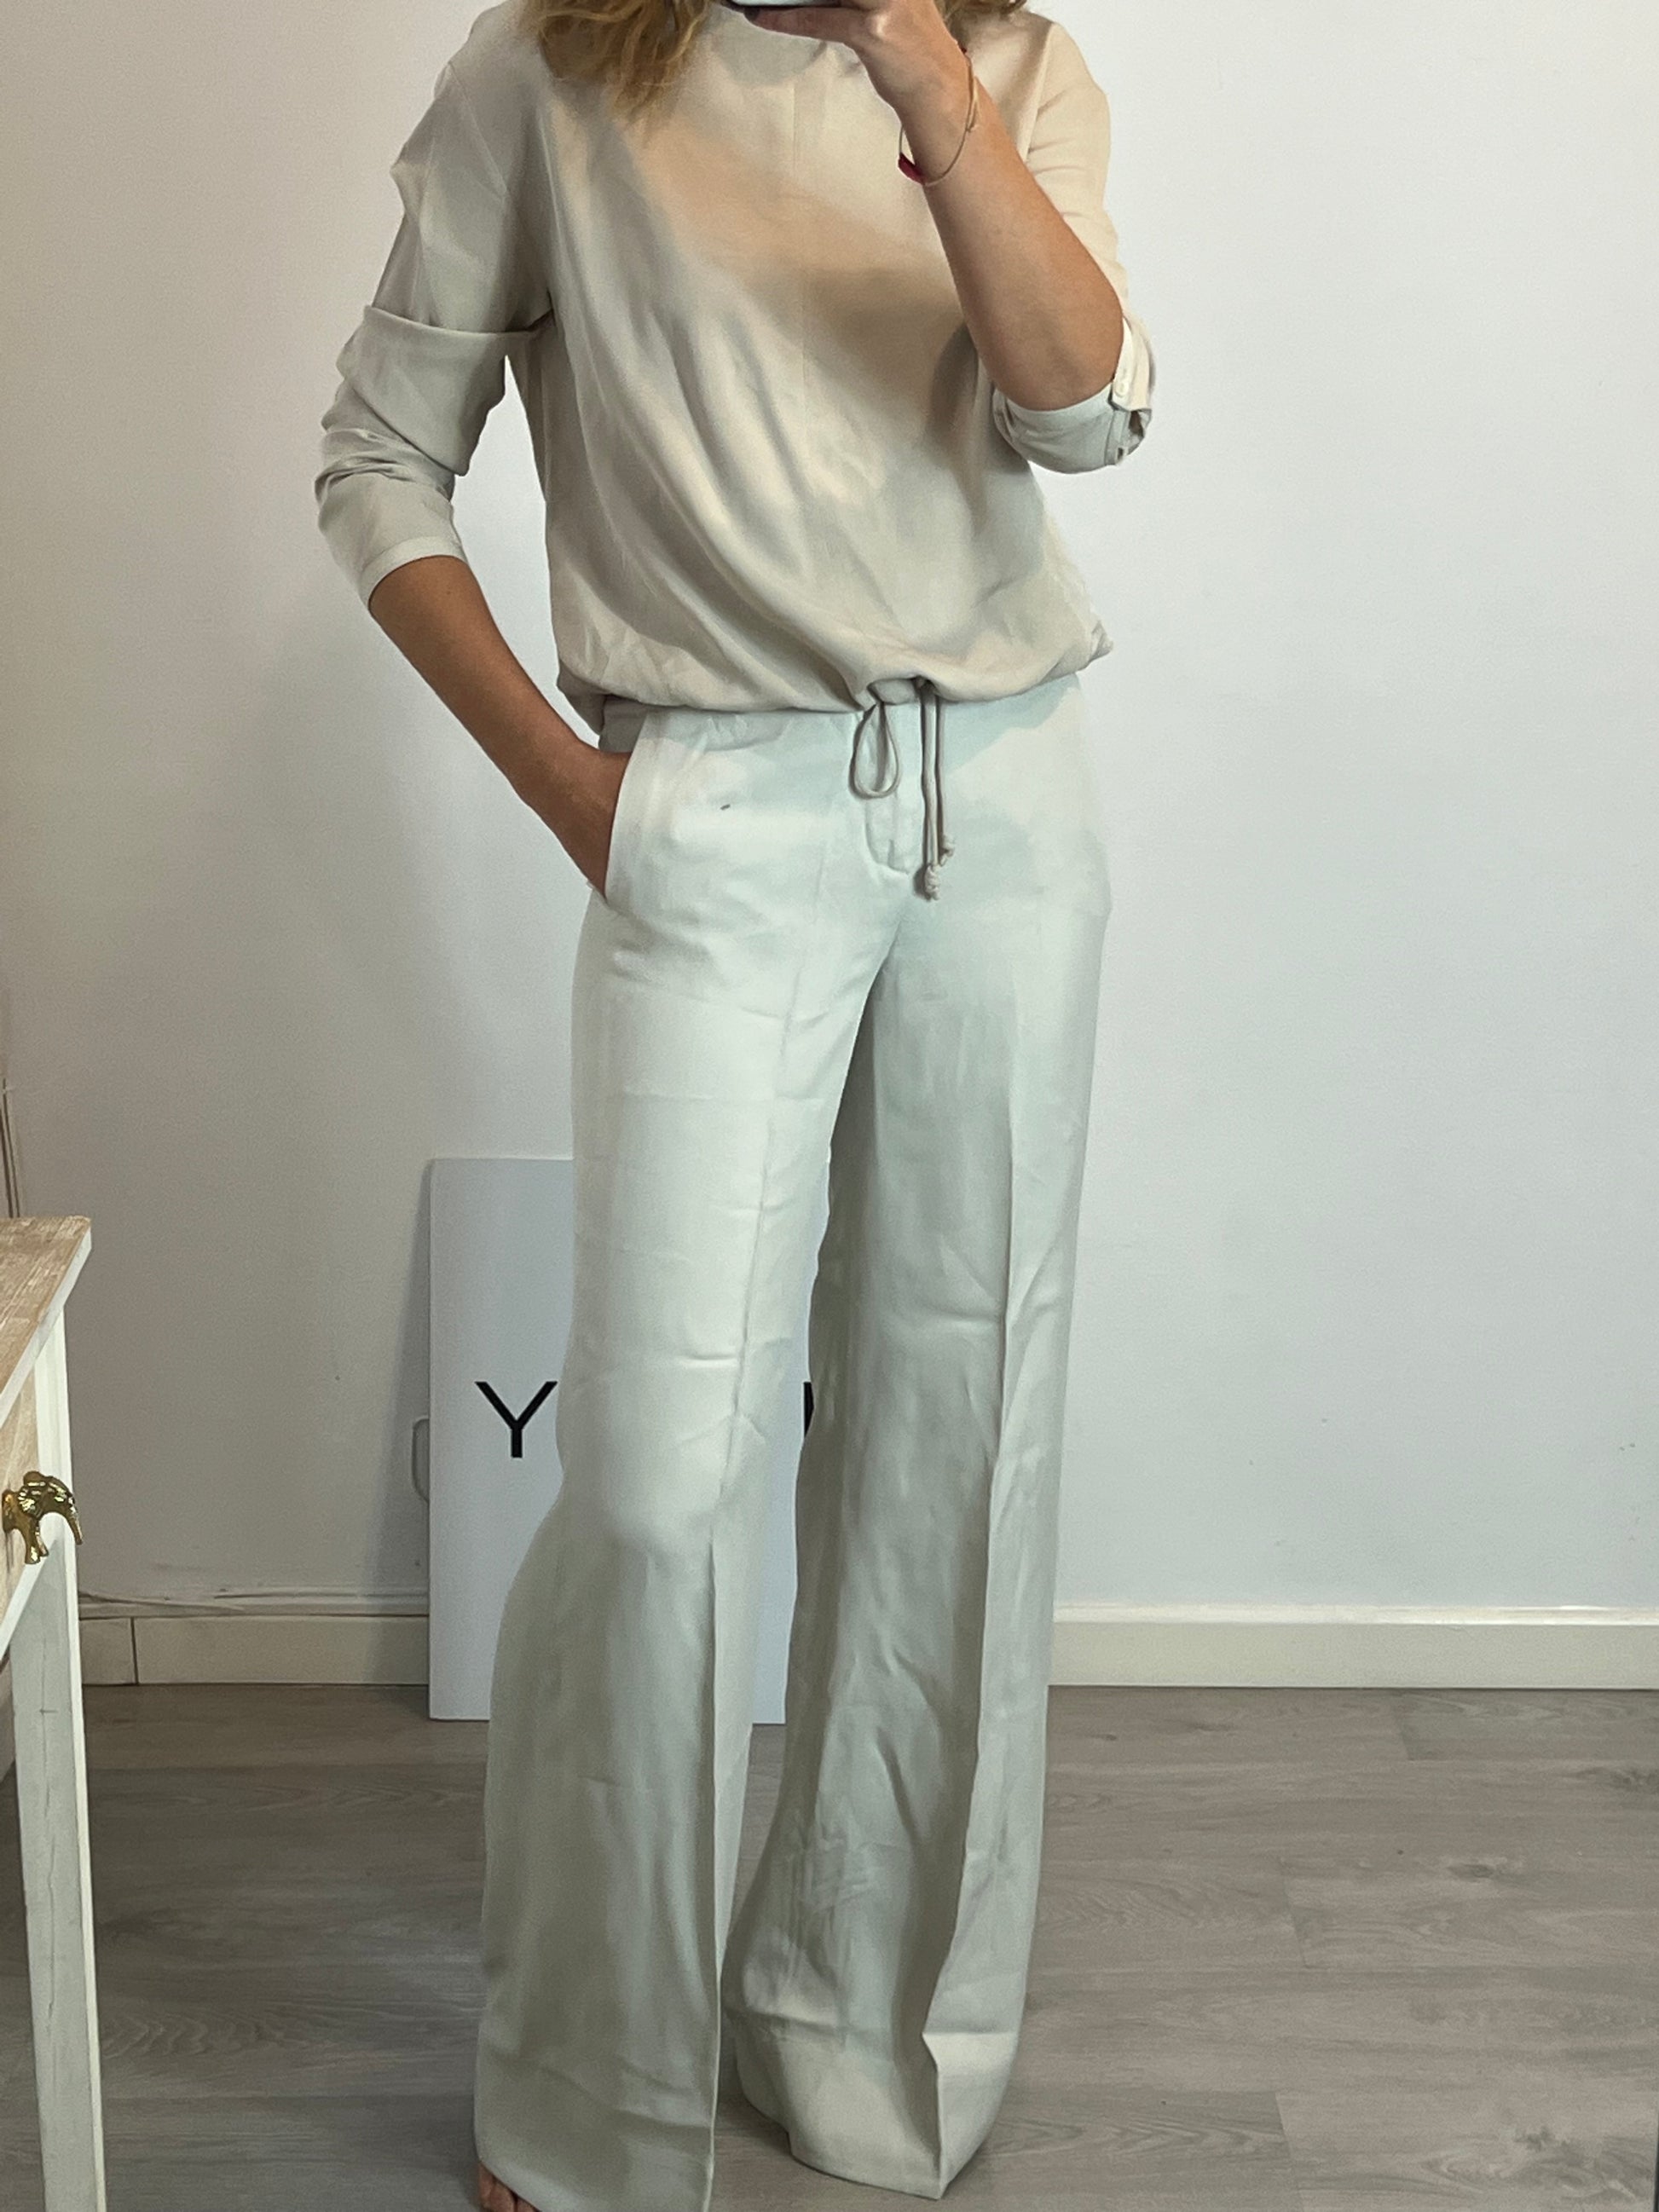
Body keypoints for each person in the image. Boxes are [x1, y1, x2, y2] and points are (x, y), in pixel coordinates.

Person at [314, 0, 1154, 2202]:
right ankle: (588, 2102)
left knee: (957, 1436)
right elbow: (376, 458)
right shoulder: (555, 68)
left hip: (1004, 800)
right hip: (712, 800)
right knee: (661, 1483)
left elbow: (1080, 414)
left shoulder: (1009, 65)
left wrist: (918, 69)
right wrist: (576, 792)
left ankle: (871, 2037)